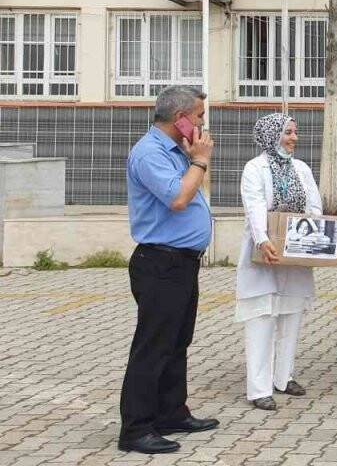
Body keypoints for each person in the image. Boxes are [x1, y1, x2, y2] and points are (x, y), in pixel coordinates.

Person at [118, 85, 219, 454]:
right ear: (180, 119)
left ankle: (172, 412)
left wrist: (194, 157)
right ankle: (136, 429)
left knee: (177, 343)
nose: (203, 122)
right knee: (153, 347)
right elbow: (178, 198)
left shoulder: (178, 150)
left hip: (181, 263)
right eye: (199, 116)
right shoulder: (149, 153)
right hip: (159, 262)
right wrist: (201, 160)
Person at [236, 113, 322, 411]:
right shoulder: (254, 168)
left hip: (296, 253)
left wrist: (314, 237)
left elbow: (314, 204)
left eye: (295, 132)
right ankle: (259, 388)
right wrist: (263, 239)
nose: (293, 138)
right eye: (287, 132)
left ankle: (283, 378)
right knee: (262, 316)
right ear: (271, 136)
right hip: (265, 253)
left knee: (292, 314)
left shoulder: (301, 168)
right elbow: (255, 205)